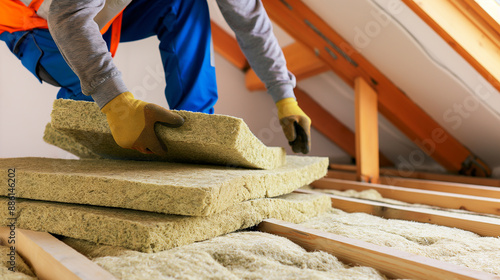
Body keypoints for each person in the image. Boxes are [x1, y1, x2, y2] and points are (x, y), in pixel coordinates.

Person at [0, 0, 312, 156]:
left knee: (184, 3)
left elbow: (251, 23)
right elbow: (66, 16)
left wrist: (285, 97)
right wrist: (116, 102)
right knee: (95, 107)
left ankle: (195, 127)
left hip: (86, 11)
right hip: (29, 22)